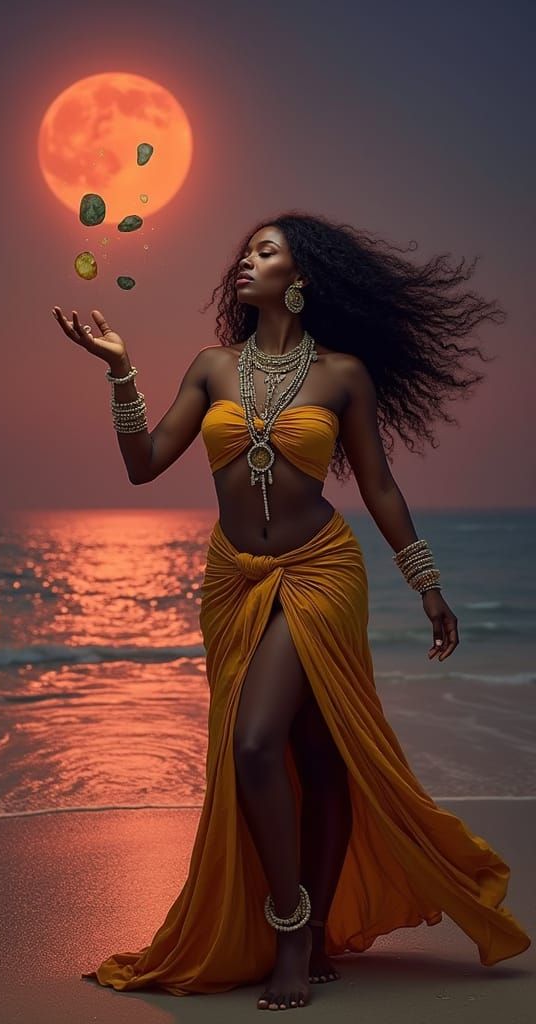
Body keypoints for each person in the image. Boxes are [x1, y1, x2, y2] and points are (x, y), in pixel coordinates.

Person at [52, 212, 531, 1011]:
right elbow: (143, 469)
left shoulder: (343, 375)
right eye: (244, 251)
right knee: (311, 749)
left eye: (264, 253)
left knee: (258, 740)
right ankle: (300, 926)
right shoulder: (212, 367)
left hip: (320, 571)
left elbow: (377, 485)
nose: (245, 261)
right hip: (233, 579)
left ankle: (291, 935)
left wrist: (426, 581)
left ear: (299, 280)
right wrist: (119, 370)